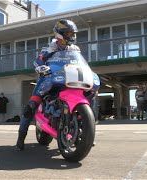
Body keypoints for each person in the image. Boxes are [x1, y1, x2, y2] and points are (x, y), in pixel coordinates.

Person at [16, 19, 95, 150]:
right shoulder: (50, 48)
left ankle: (87, 134)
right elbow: (37, 62)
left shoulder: (75, 49)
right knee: (30, 107)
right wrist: (42, 68)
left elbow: (81, 63)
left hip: (69, 78)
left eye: (73, 34)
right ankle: (20, 138)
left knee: (90, 95)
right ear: (59, 34)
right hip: (49, 77)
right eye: (69, 34)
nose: (72, 37)